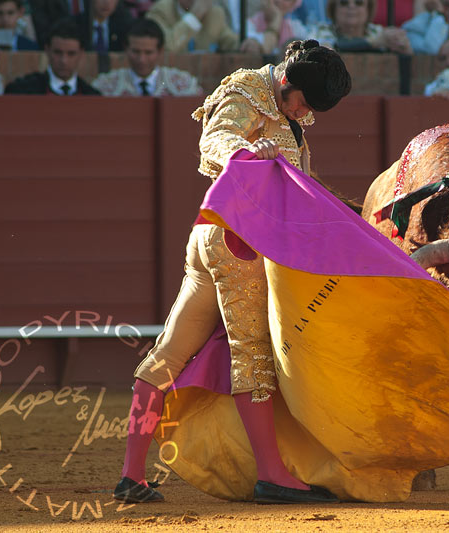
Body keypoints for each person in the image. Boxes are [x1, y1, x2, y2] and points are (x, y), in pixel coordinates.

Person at [113, 39, 351, 505]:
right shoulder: (246, 89)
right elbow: (215, 139)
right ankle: (272, 476)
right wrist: (248, 152)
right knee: (253, 352)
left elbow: (303, 186)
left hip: (218, 238)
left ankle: (131, 476)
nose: (304, 113)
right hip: (237, 240)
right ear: (286, 80)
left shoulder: (291, 117)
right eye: (302, 102)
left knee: (170, 353)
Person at [92, 18, 202, 96]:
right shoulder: (106, 85)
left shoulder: (184, 84)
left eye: (148, 52)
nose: (142, 59)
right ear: (126, 48)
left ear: (160, 51)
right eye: (136, 51)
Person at [4, 18, 100, 94]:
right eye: (58, 52)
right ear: (47, 50)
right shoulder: (21, 91)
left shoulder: (92, 95)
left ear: (81, 53)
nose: (64, 61)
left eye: (71, 54)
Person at [312, 0, 412, 53]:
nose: (351, 6)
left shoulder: (377, 31)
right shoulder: (321, 30)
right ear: (334, 9)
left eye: (358, 2)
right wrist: (374, 42)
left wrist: (403, 46)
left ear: (368, 9)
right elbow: (328, 50)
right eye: (344, 2)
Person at [146, 0, 239, 53]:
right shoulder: (160, 10)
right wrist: (194, 16)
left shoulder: (215, 13)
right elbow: (167, 47)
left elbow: (230, 42)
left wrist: (249, 42)